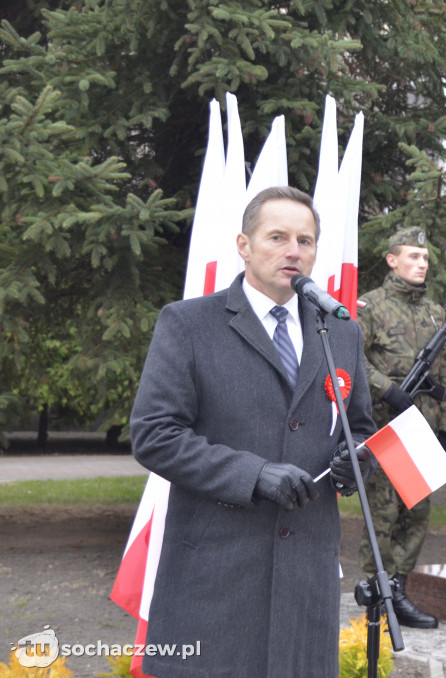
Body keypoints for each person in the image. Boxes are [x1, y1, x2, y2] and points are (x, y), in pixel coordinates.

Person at [130, 186, 377, 677]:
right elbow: (155, 434)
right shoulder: (189, 324)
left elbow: (360, 426)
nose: (293, 251)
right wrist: (253, 475)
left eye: (305, 241)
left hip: (307, 575)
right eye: (278, 237)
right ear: (243, 244)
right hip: (217, 576)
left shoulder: (339, 331)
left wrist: (359, 460)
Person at [356, 226, 446, 629]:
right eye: (413, 257)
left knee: (416, 513)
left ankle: (399, 588)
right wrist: (388, 390)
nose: (421, 264)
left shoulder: (434, 312)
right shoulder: (370, 307)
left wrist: (444, 429)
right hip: (385, 427)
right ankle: (377, 592)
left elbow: (443, 375)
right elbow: (350, 360)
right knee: (384, 514)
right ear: (393, 260)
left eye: (425, 258)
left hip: (423, 429)